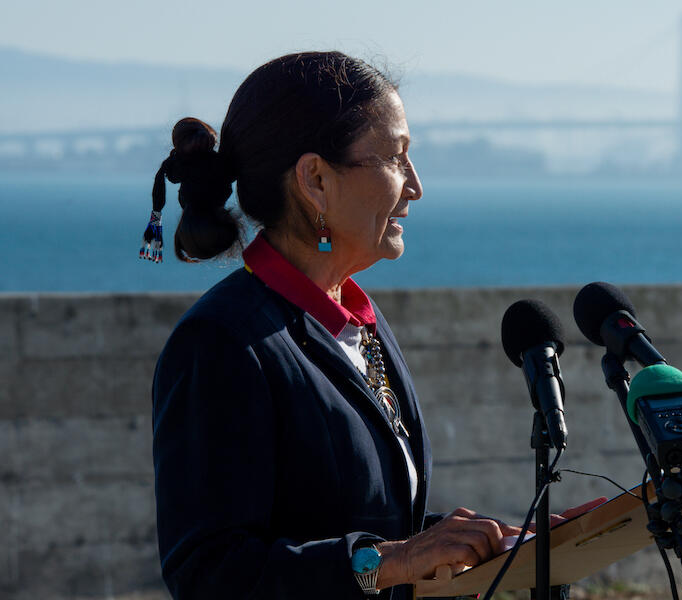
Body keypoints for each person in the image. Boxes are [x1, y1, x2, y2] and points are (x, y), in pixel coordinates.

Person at [148, 51, 599, 600]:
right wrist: (397, 559)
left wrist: (480, 542)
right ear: (315, 179)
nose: (415, 186)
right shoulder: (223, 341)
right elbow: (208, 574)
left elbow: (356, 519)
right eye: (395, 158)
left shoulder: (359, 320)